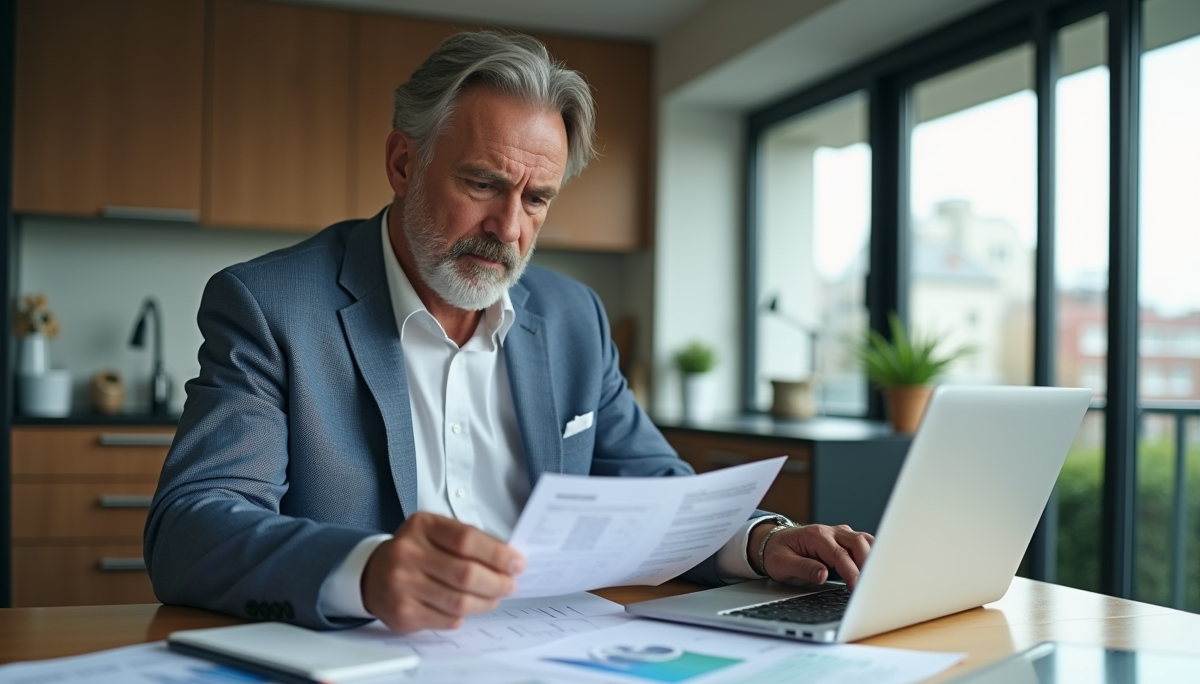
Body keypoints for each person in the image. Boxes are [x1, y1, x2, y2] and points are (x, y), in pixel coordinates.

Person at [145, 30, 873, 633]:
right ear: (404, 163)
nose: (508, 228)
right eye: (483, 184)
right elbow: (191, 528)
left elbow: (658, 494)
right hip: (366, 663)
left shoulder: (574, 318)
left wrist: (765, 541)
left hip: (562, 656)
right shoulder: (272, 305)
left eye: (537, 199)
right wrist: (365, 570)